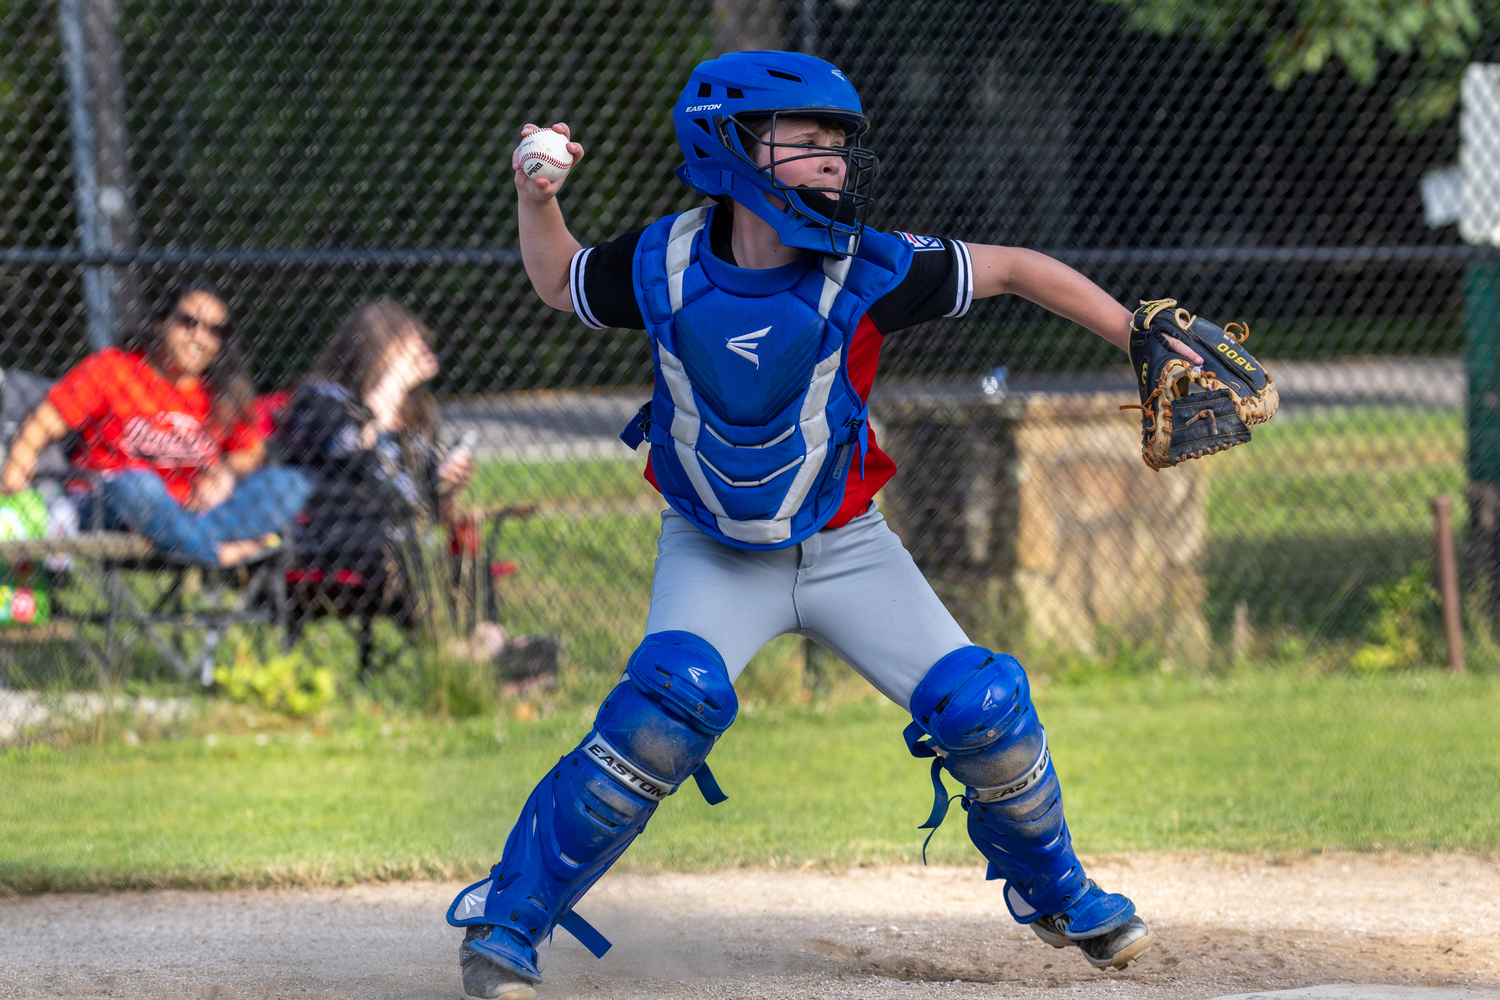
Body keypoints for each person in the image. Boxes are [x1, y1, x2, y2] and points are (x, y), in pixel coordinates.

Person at [448, 51, 1210, 1000]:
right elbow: (562, 281)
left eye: (840, 145)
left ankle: (1060, 893)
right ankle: (511, 921)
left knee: (986, 710)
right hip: (715, 551)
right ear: (726, 145)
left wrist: (1135, 332)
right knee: (666, 707)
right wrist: (535, 196)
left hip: (848, 546)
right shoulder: (663, 261)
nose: (832, 163)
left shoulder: (871, 265)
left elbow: (1013, 269)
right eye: (804, 142)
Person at [0, 282, 308, 567]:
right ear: (161, 322)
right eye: (188, 322)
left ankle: (191, 540)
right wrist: (16, 465)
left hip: (192, 509)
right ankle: (214, 553)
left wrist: (224, 473)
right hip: (110, 501)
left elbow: (250, 452)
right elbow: (47, 420)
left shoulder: (221, 392)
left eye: (216, 331)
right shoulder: (114, 369)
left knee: (288, 484)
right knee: (139, 484)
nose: (199, 337)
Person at [274, 298, 474, 622]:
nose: (424, 346)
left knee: (466, 567)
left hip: (401, 535)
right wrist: (388, 390)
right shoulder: (323, 399)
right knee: (403, 557)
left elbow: (420, 502)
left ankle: (492, 646)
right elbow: (348, 453)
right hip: (340, 531)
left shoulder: (414, 416)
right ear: (379, 347)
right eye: (410, 340)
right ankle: (460, 660)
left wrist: (446, 486)